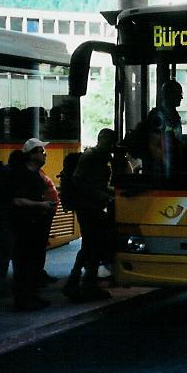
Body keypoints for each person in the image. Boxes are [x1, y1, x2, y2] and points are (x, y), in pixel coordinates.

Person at [63, 128, 116, 302]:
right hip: (87, 207)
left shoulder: (103, 157)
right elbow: (77, 181)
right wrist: (100, 194)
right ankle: (85, 283)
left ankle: (77, 282)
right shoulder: (91, 156)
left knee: (91, 245)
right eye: (110, 141)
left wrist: (110, 192)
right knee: (92, 245)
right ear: (101, 139)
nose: (112, 145)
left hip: (93, 206)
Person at [8, 138, 57, 311]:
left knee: (33, 262)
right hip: (25, 226)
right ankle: (23, 299)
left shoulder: (36, 174)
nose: (45, 154)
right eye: (41, 151)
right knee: (25, 263)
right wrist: (41, 205)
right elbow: (17, 200)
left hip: (36, 225)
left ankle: (31, 296)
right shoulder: (22, 175)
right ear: (32, 155)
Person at [0, 149, 23, 295]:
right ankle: (7, 283)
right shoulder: (14, 175)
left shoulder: (1, 174)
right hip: (11, 218)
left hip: (2, 217)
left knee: (2, 251)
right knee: (12, 251)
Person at [146, 79, 184, 177]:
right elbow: (153, 145)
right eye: (178, 94)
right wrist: (166, 164)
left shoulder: (174, 115)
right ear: (169, 95)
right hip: (161, 171)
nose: (181, 97)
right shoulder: (158, 115)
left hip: (173, 166)